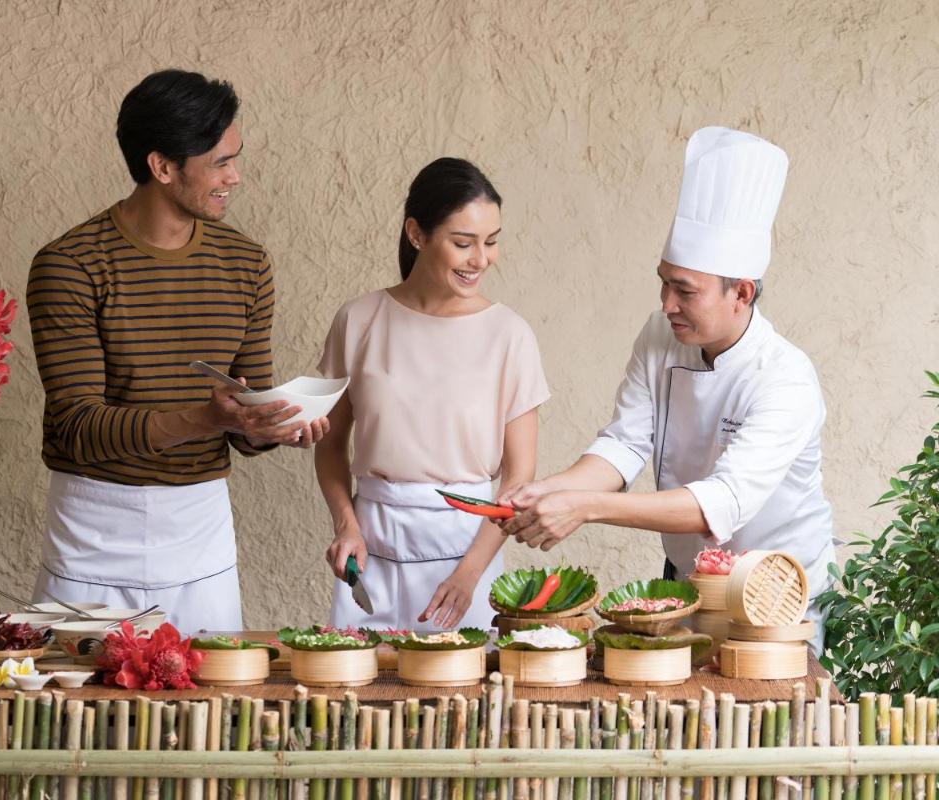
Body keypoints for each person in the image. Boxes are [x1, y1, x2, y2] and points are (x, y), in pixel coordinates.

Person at [498, 127, 836, 654]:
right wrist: (553, 490)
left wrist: (584, 507)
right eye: (663, 281)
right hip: (689, 582)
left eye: (685, 290)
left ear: (741, 293)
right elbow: (625, 443)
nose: (666, 303)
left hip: (777, 596)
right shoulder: (661, 336)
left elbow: (719, 504)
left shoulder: (785, 377)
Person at [26, 69, 328, 634]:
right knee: (79, 692)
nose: (235, 177)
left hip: (200, 527)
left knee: (210, 687)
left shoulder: (246, 264)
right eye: (220, 162)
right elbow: (77, 426)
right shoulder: (69, 265)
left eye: (235, 158)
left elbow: (243, 411)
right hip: (94, 528)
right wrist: (206, 419)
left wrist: (271, 425)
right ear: (162, 167)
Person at [314, 158, 549, 631]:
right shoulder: (358, 320)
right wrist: (346, 524)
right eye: (463, 243)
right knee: (361, 676)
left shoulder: (509, 335)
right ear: (416, 234)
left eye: (491, 241)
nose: (480, 259)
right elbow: (330, 444)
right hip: (371, 549)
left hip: (467, 555)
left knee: (462, 680)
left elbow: (518, 476)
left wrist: (469, 574)